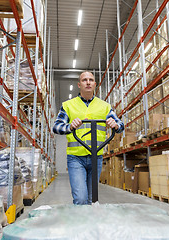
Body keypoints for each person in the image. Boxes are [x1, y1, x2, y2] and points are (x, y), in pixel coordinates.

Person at [53, 71, 124, 205]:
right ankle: (80, 225)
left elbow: (121, 125)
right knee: (80, 198)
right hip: (75, 158)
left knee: (93, 199)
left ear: (95, 84)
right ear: (79, 85)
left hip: (96, 156)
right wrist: (69, 127)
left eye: (91, 80)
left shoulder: (105, 106)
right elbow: (56, 127)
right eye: (84, 80)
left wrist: (115, 124)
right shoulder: (68, 105)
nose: (88, 82)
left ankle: (90, 225)